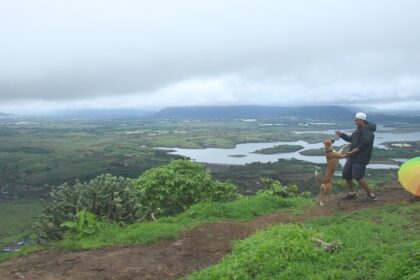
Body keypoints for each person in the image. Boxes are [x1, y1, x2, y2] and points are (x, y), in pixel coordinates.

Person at [335, 112, 377, 201]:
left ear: (362, 120)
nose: (355, 122)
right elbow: (351, 139)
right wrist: (342, 135)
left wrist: (351, 152)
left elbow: (363, 146)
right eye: (355, 120)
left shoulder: (368, 133)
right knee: (346, 174)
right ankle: (352, 193)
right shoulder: (358, 130)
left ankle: (371, 195)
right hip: (352, 156)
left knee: (358, 176)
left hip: (360, 158)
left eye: (357, 120)